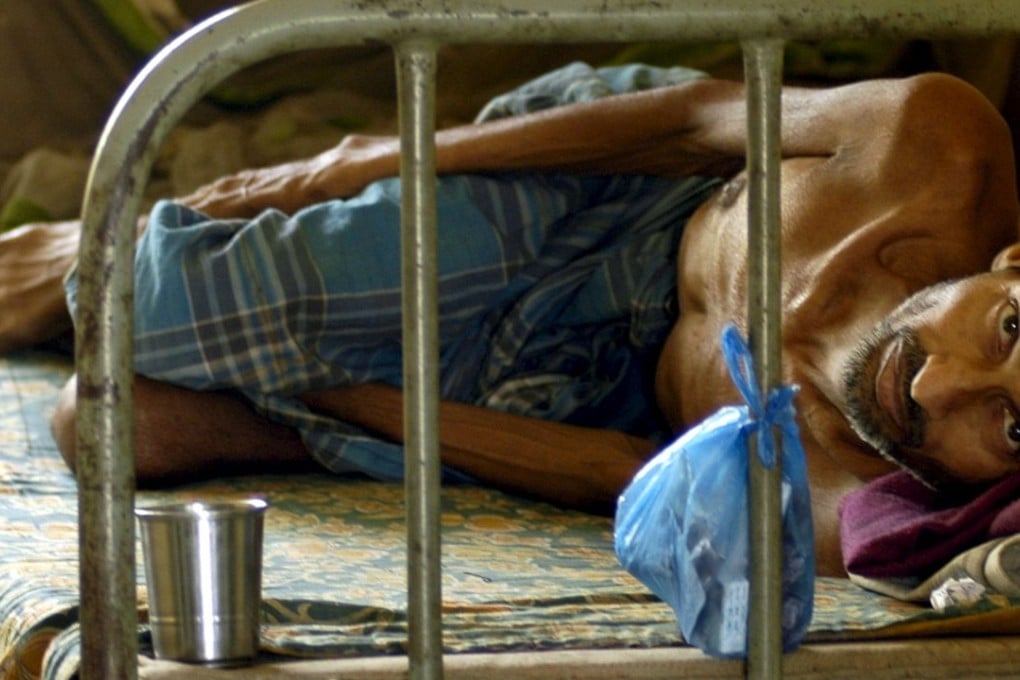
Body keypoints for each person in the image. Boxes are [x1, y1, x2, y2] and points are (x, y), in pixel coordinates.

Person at [23, 66, 1019, 578]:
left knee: (106, 423)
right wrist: (373, 160)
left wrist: (350, 396)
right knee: (137, 297)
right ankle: (72, 248)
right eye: (1010, 331)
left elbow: (614, 464)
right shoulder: (934, 146)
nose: (935, 385)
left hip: (580, 387)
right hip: (593, 205)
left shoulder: (854, 496)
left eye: (1011, 425)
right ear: (1016, 262)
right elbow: (685, 118)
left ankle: (272, 395)